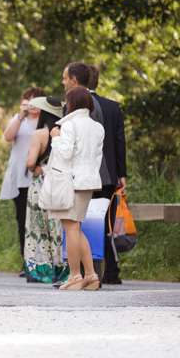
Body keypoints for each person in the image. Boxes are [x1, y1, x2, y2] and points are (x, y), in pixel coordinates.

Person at [48, 87, 105, 291]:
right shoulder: (97, 127)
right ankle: (91, 275)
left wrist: (55, 136)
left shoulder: (70, 125)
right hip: (88, 181)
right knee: (77, 227)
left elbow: (64, 154)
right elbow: (97, 157)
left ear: (72, 103)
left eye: (67, 101)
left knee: (70, 227)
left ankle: (74, 276)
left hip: (71, 181)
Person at [87, 64, 128, 285]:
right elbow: (119, 143)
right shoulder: (113, 107)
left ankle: (91, 271)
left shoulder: (74, 107)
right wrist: (121, 174)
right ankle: (111, 271)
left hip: (85, 174)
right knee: (105, 223)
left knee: (85, 221)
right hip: (109, 175)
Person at [23, 96, 70, 285]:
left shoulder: (40, 134)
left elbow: (30, 162)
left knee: (38, 226)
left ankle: (42, 269)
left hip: (40, 184)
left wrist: (34, 167)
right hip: (60, 182)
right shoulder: (65, 132)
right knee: (58, 225)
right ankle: (63, 268)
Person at [0, 86, 46, 276]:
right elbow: (8, 136)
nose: (33, 106)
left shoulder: (47, 123)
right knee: (23, 221)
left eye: (37, 102)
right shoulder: (20, 120)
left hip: (40, 176)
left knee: (41, 220)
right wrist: (20, 115)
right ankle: (26, 262)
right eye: (30, 101)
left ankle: (42, 261)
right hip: (19, 177)